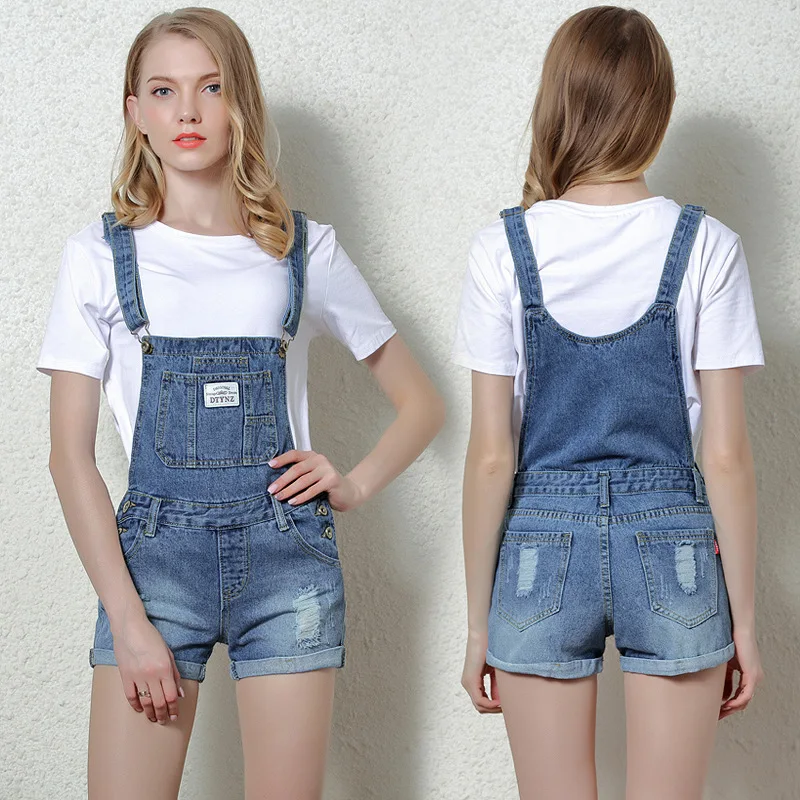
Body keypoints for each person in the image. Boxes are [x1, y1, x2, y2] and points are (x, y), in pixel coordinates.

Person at [36, 8, 444, 798]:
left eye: (211, 88)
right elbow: (68, 459)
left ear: (240, 104)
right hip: (151, 571)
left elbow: (421, 403)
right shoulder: (97, 257)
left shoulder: (301, 250)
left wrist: (352, 483)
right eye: (164, 91)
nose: (187, 111)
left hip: (287, 564)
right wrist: (127, 621)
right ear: (136, 112)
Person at [451, 6, 764, 799]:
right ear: (659, 109)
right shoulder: (709, 247)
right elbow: (725, 455)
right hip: (675, 540)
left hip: (538, 543)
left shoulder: (502, 249)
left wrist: (479, 622)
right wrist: (745, 623)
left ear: (556, 101)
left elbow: (490, 457)